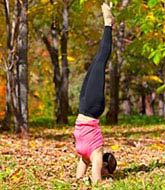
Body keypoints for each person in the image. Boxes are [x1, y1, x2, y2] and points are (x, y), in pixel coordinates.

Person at [73, 2, 116, 184]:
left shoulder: (84, 157)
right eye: (106, 171)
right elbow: (97, 181)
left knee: (96, 62)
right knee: (100, 62)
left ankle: (107, 24)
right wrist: (105, 182)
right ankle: (108, 24)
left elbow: (79, 177)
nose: (101, 171)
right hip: (93, 108)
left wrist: (78, 182)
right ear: (105, 165)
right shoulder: (97, 153)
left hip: (82, 110)